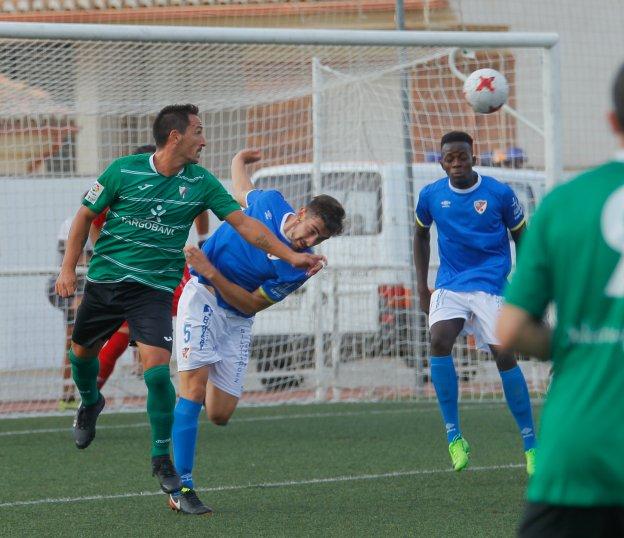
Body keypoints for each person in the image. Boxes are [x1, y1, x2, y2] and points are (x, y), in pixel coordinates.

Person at [55, 104, 325, 495]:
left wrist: (292, 256)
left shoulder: (200, 182)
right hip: (106, 281)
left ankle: (162, 459)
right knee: (81, 356)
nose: (205, 139)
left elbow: (246, 224)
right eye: (199, 131)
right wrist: (68, 270)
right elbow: (84, 218)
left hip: (154, 289)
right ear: (176, 136)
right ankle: (90, 401)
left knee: (157, 373)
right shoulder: (123, 170)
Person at [168, 149, 345, 515]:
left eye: (318, 240)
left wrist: (213, 272)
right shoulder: (268, 202)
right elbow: (241, 188)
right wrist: (238, 159)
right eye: (311, 230)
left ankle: (188, 388)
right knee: (193, 391)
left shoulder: (299, 269)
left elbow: (250, 305)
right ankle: (181, 485)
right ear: (299, 214)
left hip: (236, 319)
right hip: (200, 298)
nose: (309, 241)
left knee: (219, 414)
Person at [497, 63, 624, 537]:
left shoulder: (565, 203)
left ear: (612, 121)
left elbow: (509, 329)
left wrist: (573, 342)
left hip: (581, 444)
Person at [413, 131, 536, 474]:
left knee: (503, 354)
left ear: (473, 158)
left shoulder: (498, 192)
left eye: (462, 157)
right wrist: (423, 287)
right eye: (449, 158)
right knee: (439, 341)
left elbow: (522, 237)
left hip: (492, 284)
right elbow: (420, 235)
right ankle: (454, 436)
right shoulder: (430, 195)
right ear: (441, 161)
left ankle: (531, 445)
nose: (456, 164)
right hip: (450, 283)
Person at [91, 144, 209, 391]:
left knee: (201, 310)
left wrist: (203, 240)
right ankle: (89, 398)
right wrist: (106, 253)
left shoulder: (176, 187)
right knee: (120, 337)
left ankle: (198, 390)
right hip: (125, 275)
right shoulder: (117, 188)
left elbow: (201, 203)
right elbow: (92, 219)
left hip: (164, 273)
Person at [48, 203, 93, 411]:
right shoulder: (72, 223)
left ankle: (80, 391)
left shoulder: (109, 224)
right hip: (66, 283)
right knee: (72, 337)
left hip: (89, 284)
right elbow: (73, 257)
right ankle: (67, 393)